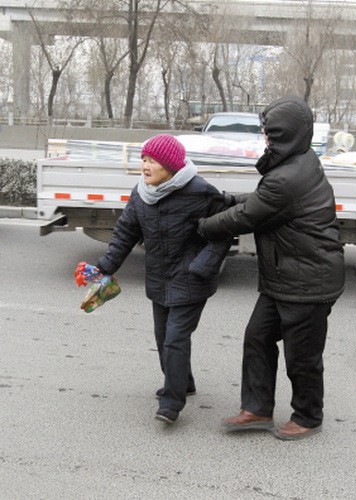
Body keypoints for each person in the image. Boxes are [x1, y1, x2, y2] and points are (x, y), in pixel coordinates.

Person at [198, 95, 345, 440]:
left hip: (308, 280)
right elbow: (262, 203)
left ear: (285, 135)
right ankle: (258, 409)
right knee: (258, 337)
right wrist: (230, 199)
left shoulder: (287, 176)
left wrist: (202, 226)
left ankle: (308, 416)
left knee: (303, 356)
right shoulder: (297, 160)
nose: (265, 138)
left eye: (269, 133)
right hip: (287, 275)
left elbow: (249, 216)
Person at [95, 134, 232, 425]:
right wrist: (106, 266)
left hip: (192, 279)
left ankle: (171, 403)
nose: (145, 166)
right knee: (163, 337)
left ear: (170, 165)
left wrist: (202, 266)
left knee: (175, 339)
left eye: (152, 160)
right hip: (159, 278)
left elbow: (223, 233)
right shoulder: (141, 193)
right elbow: (125, 232)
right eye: (143, 159)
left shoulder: (201, 192)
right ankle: (184, 382)